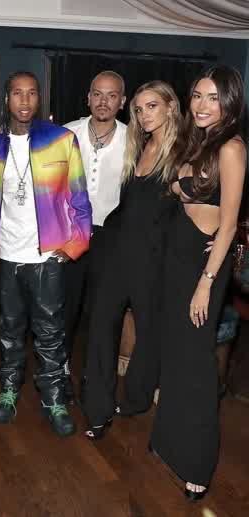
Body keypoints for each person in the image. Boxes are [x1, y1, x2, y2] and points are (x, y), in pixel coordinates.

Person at [150, 66, 247, 500]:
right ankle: (169, 443)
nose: (203, 105)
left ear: (230, 102)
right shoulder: (197, 141)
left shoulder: (231, 147)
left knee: (197, 365)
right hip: (177, 256)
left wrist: (207, 282)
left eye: (213, 97)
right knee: (174, 354)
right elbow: (180, 191)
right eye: (197, 95)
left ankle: (199, 463)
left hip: (202, 265)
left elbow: (230, 222)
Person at [0, 71, 91, 436]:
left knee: (50, 333)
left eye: (31, 93)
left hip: (47, 256)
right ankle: (9, 388)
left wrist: (74, 246)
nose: (25, 100)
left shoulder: (61, 140)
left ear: (39, 98)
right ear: (7, 99)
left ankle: (54, 398)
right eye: (18, 93)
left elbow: (79, 197)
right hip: (6, 253)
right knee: (10, 330)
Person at [82, 81, 181, 440]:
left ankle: (137, 398)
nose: (143, 114)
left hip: (153, 260)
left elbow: (197, 208)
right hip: (116, 252)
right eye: (138, 109)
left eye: (152, 106)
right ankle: (97, 410)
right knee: (99, 329)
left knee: (150, 334)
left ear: (171, 107)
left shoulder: (184, 154)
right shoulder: (138, 147)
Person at [63, 71, 127, 401]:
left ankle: (95, 380)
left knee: (102, 314)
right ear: (88, 97)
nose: (104, 101)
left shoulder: (134, 141)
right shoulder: (66, 133)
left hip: (110, 238)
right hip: (69, 234)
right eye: (98, 94)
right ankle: (58, 374)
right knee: (64, 309)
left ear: (122, 101)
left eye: (112, 95)